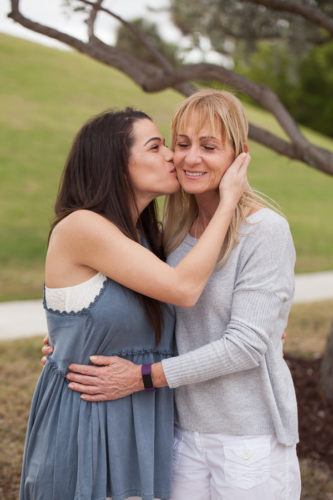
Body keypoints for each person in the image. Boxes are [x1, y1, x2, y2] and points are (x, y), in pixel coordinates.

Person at [59, 91, 301, 500]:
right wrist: (71, 342)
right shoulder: (172, 236)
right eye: (182, 143)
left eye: (209, 147)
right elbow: (140, 312)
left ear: (238, 156)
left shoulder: (265, 231)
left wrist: (143, 378)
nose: (190, 158)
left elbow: (244, 347)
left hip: (247, 439)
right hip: (180, 432)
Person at [21, 106, 248, 500]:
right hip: (89, 417)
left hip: (141, 416)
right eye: (155, 146)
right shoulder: (83, 226)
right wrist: (228, 201)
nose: (171, 156)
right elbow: (184, 288)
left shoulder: (146, 237)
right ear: (116, 164)